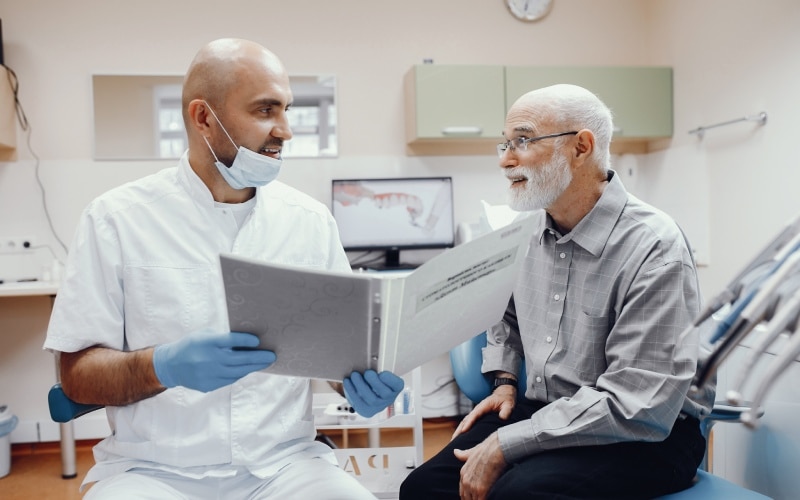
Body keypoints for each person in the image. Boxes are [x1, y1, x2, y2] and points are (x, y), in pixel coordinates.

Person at [43, 38, 402, 499]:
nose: (285, 130)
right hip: (153, 472)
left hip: (286, 466)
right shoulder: (115, 218)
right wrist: (163, 366)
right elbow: (76, 375)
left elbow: (335, 355)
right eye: (265, 111)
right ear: (204, 118)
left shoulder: (309, 221)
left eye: (287, 110)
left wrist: (358, 385)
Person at [400, 84, 715, 499]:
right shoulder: (526, 234)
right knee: (424, 489)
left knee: (519, 493)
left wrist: (505, 443)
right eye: (504, 143)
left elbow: (637, 404)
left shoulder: (654, 247)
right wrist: (506, 381)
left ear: (581, 147)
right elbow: (505, 315)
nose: (505, 159)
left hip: (646, 432)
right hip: (549, 411)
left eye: (523, 141)